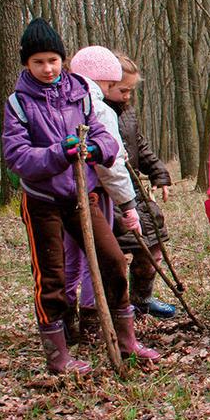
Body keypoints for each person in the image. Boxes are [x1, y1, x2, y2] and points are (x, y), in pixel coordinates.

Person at [2, 18, 160, 374]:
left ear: (63, 60)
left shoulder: (80, 92)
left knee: (114, 259)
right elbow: (17, 157)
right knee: (53, 278)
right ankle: (58, 356)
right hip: (42, 200)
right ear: (27, 63)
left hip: (82, 196)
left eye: (53, 60)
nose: (47, 68)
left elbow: (106, 137)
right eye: (38, 61)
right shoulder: (19, 103)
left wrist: (94, 149)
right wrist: (60, 152)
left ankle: (126, 340)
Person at [61, 46, 145, 342]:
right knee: (92, 257)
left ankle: (66, 321)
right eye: (111, 85)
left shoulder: (61, 103)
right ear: (102, 82)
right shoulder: (100, 110)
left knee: (69, 258)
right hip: (94, 195)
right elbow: (112, 165)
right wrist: (128, 204)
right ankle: (90, 320)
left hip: (63, 195)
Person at [103, 54, 177, 320]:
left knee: (153, 243)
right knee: (115, 256)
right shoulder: (97, 112)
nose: (127, 96)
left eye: (131, 91)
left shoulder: (127, 113)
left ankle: (142, 298)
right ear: (105, 84)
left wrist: (159, 172)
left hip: (135, 191)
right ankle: (117, 308)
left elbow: (139, 146)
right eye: (123, 90)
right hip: (110, 195)